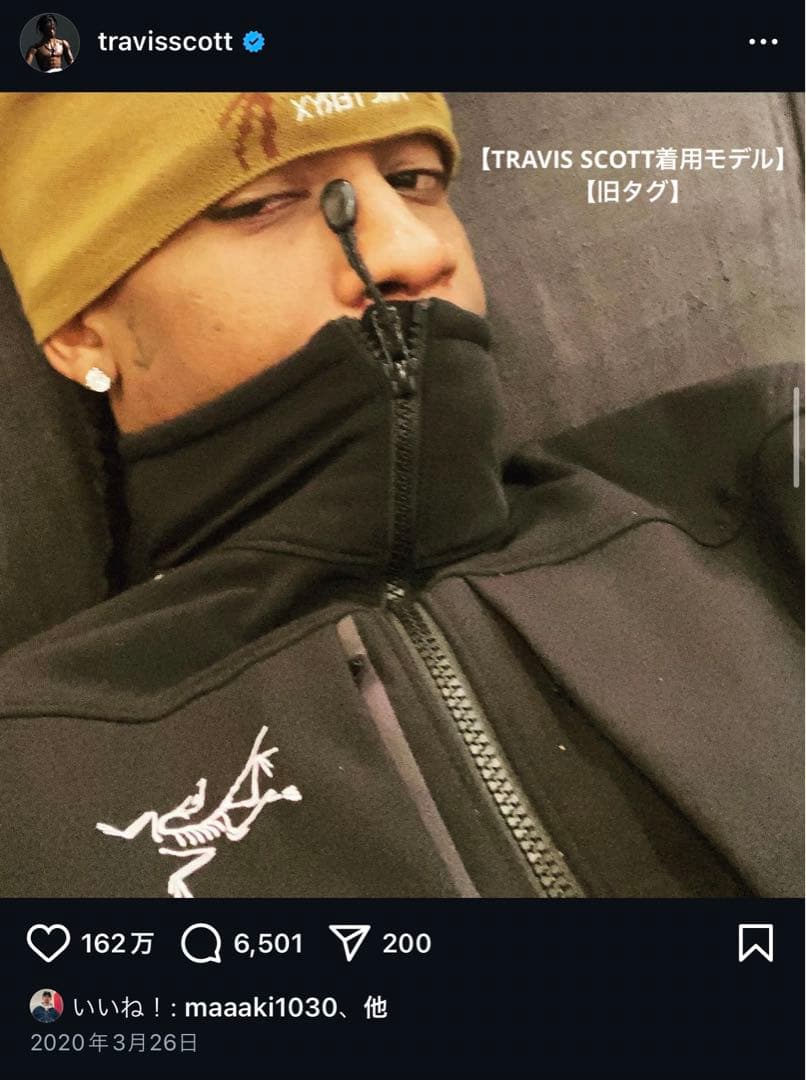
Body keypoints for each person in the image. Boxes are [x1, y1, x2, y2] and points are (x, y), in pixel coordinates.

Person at [0, 92, 801, 900]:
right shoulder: (30, 775)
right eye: (261, 202)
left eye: (414, 180)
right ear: (82, 332)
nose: (414, 248)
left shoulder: (755, 458)